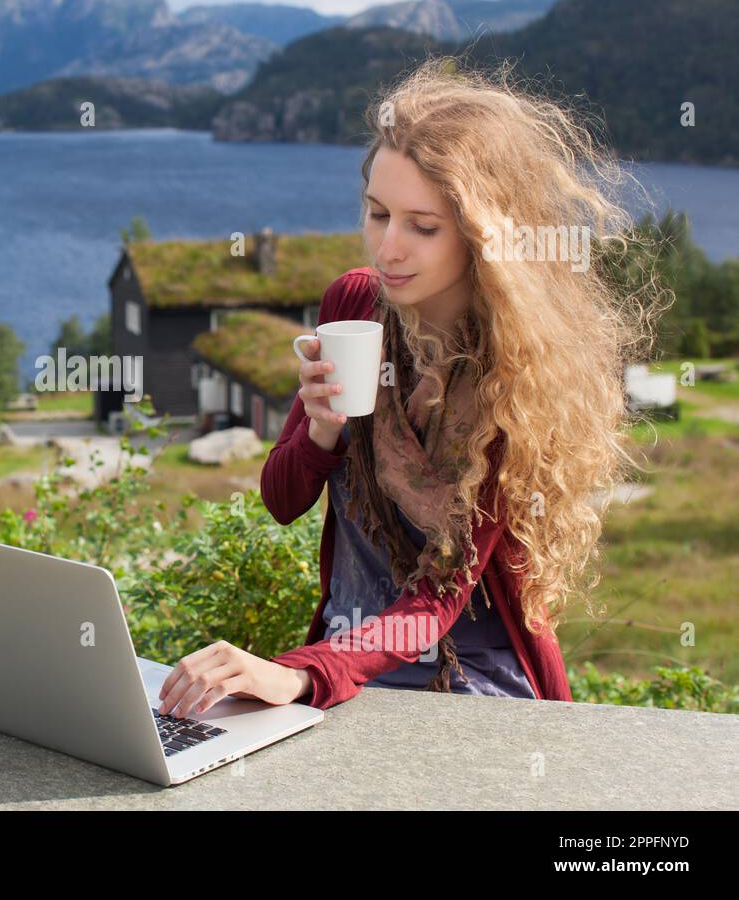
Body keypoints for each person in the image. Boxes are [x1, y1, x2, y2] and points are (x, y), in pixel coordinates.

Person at [158, 56, 669, 718]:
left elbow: (439, 599)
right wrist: (320, 432)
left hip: (471, 681)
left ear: (483, 238)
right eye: (377, 213)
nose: (387, 247)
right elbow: (282, 500)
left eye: (422, 226)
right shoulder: (354, 304)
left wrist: (297, 675)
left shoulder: (514, 378)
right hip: (349, 663)